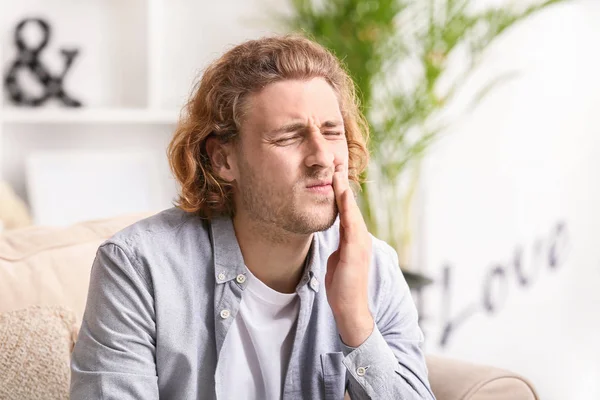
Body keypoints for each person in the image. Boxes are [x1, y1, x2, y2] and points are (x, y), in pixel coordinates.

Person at [70, 35, 435, 400]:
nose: (323, 158)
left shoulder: (375, 268)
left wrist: (355, 318)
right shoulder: (137, 268)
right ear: (223, 160)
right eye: (289, 137)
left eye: (331, 131)